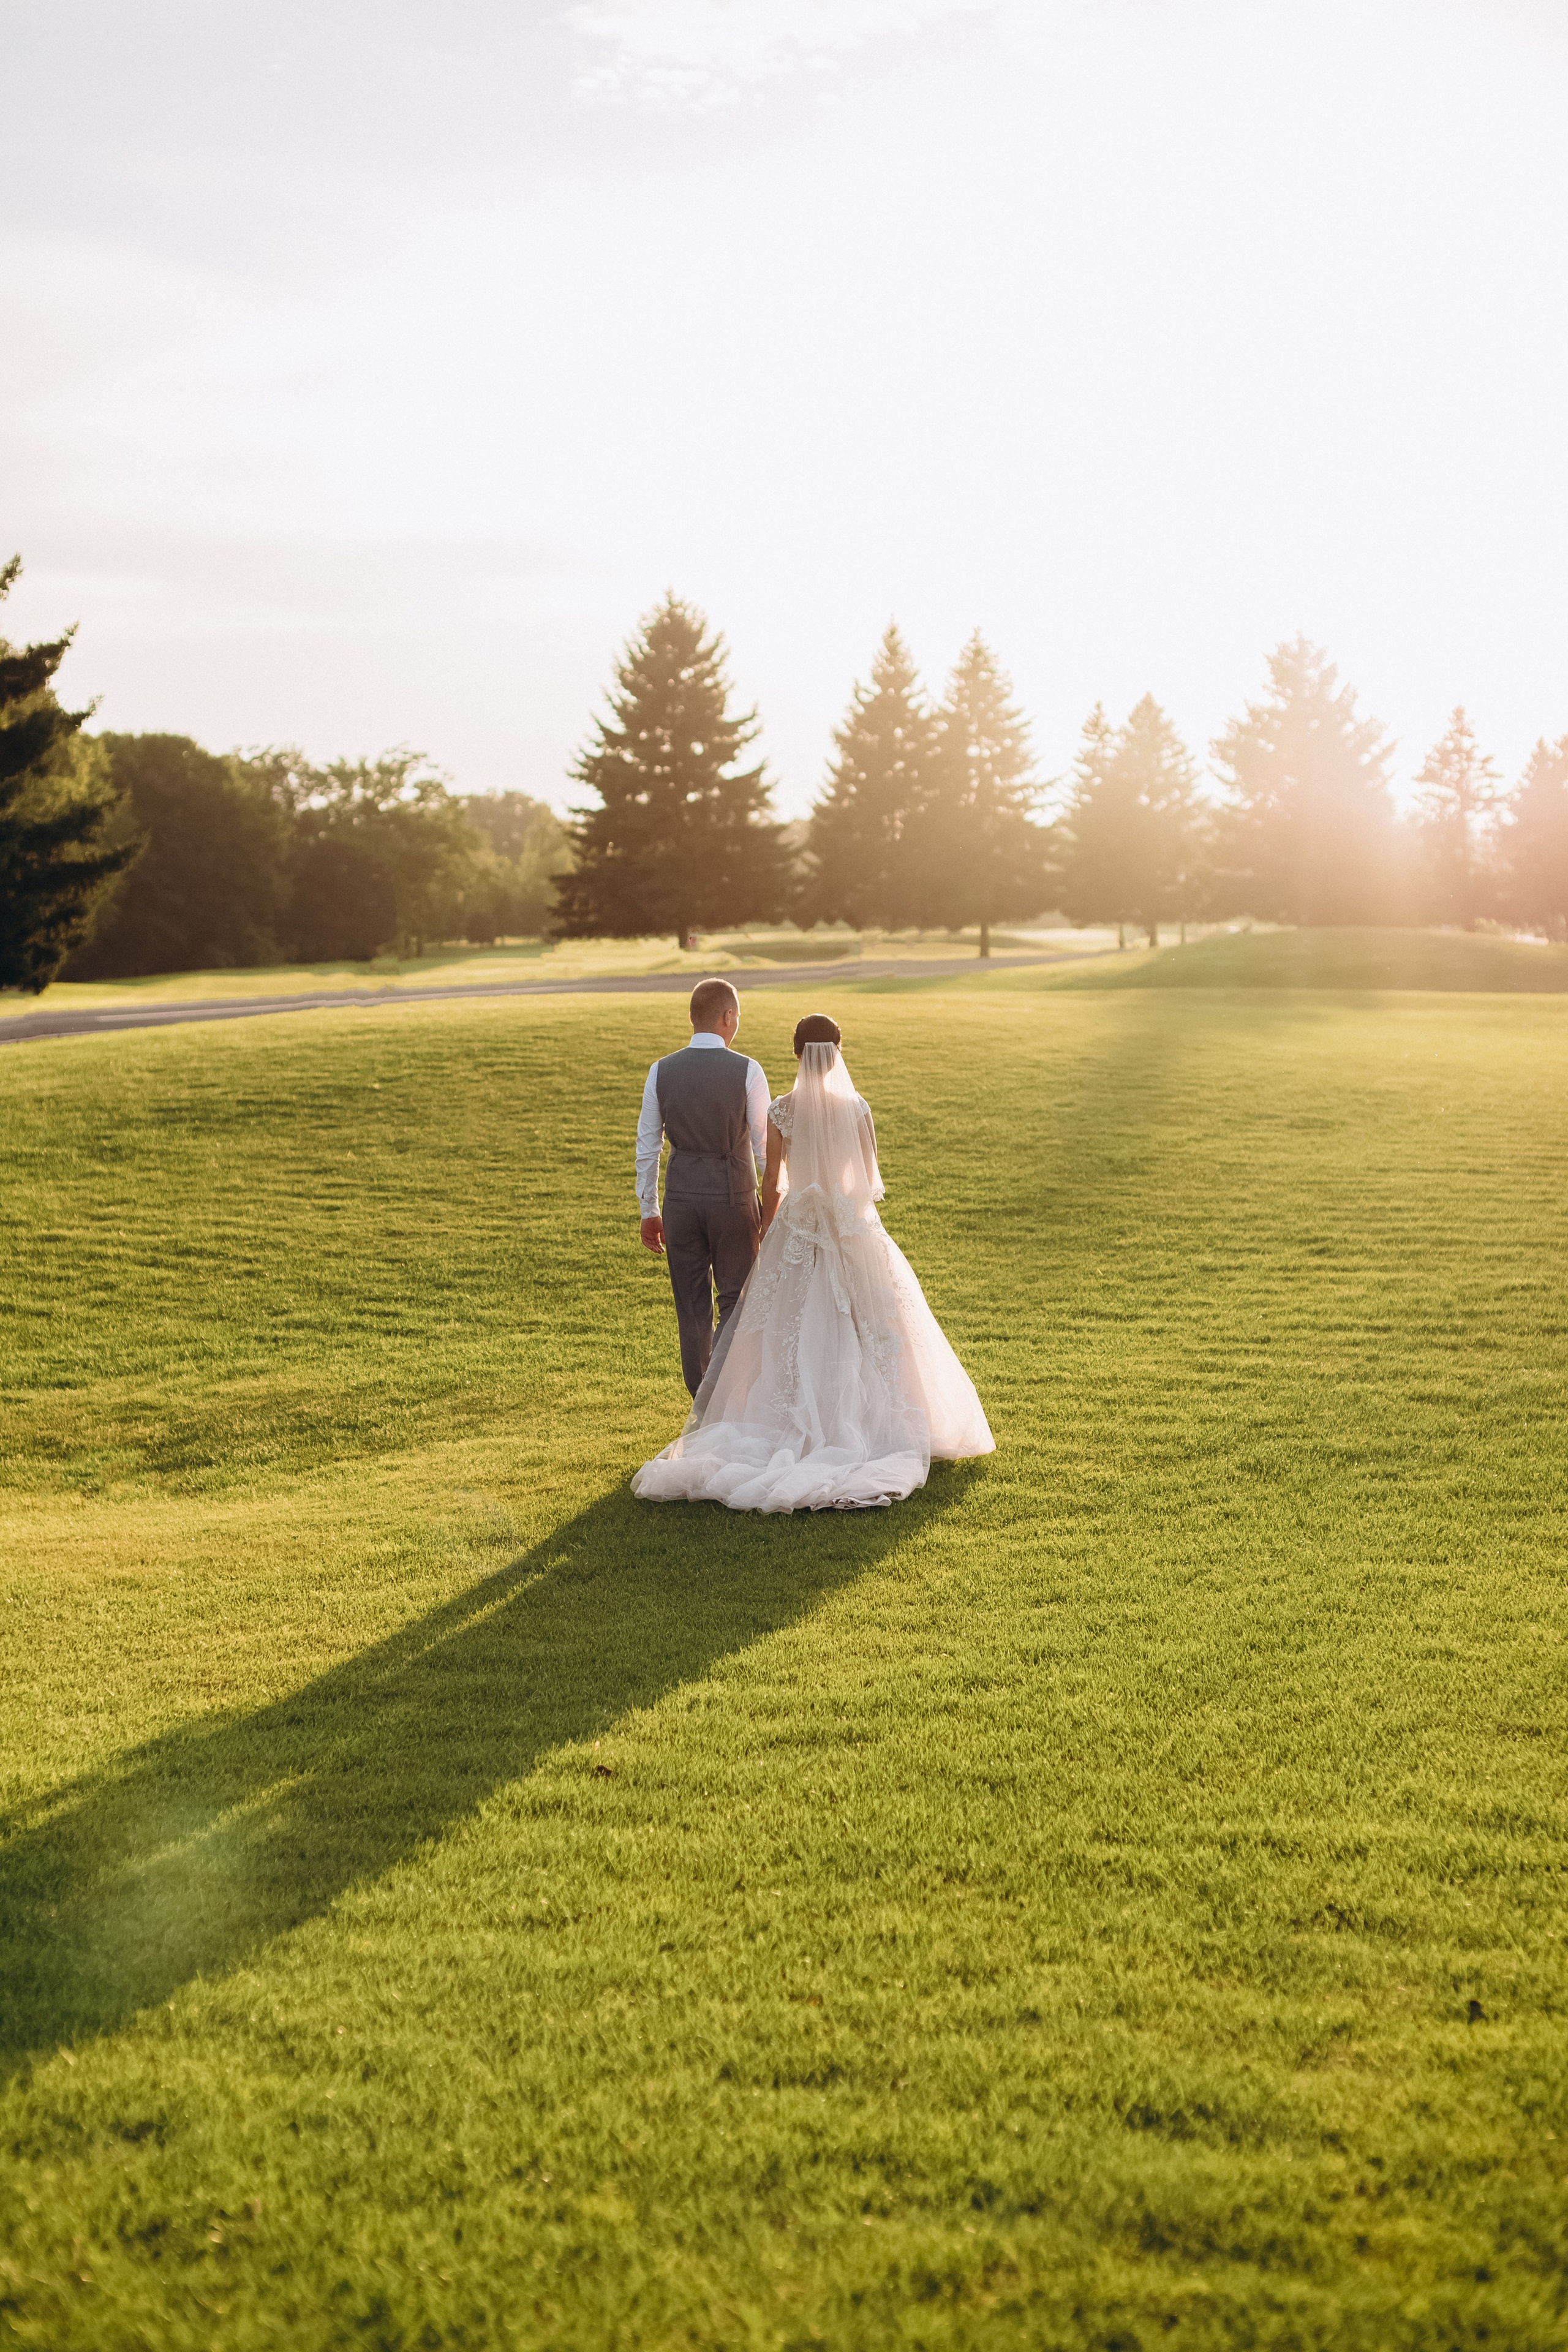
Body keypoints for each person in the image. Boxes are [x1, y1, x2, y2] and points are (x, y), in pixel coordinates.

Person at [633, 1012, 994, 1512]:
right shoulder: (857, 1108)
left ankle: (784, 1419)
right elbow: (867, 1182)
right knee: (870, 1323)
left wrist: (764, 1225)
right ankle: (876, 1422)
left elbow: (773, 1181)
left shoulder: (783, 1110)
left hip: (798, 1226)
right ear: (839, 1051)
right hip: (849, 1226)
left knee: (791, 1323)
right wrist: (843, 1212)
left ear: (797, 1053)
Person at [636, 976, 772, 1398]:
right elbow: (765, 1147)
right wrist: (770, 1209)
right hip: (734, 1198)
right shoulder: (748, 1070)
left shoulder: (661, 1070)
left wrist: (649, 1210)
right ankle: (731, 1398)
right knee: (735, 1299)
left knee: (691, 1306)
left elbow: (648, 1146)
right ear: (728, 1017)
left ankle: (702, 1399)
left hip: (680, 1201)